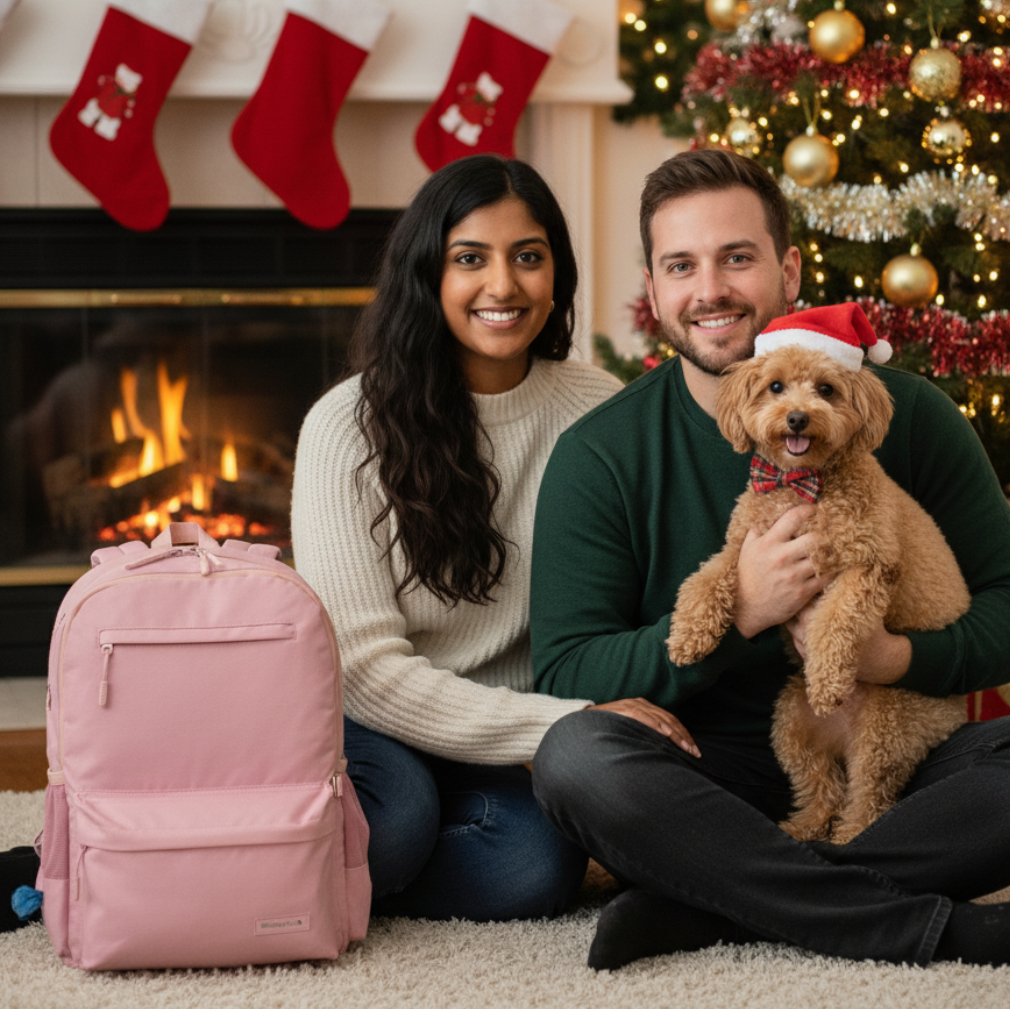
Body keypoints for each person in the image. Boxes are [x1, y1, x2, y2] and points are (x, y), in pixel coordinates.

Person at [529, 148, 1010, 969]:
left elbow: (1005, 600)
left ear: (788, 270)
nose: (709, 289)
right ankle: (908, 922)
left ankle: (717, 907)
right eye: (681, 265)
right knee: (575, 759)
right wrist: (743, 614)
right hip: (698, 773)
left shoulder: (910, 419)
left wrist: (895, 656)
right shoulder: (603, 454)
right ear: (653, 289)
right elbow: (568, 668)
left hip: (889, 756)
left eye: (737, 258)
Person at [290, 154, 627, 922]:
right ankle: (171, 864)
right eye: (469, 259)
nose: (503, 286)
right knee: (399, 822)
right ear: (426, 275)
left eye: (528, 258)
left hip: (506, 727)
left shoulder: (599, 407)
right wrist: (563, 725)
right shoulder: (347, 426)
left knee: (529, 872)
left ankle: (339, 876)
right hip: (369, 718)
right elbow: (363, 671)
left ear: (557, 275)